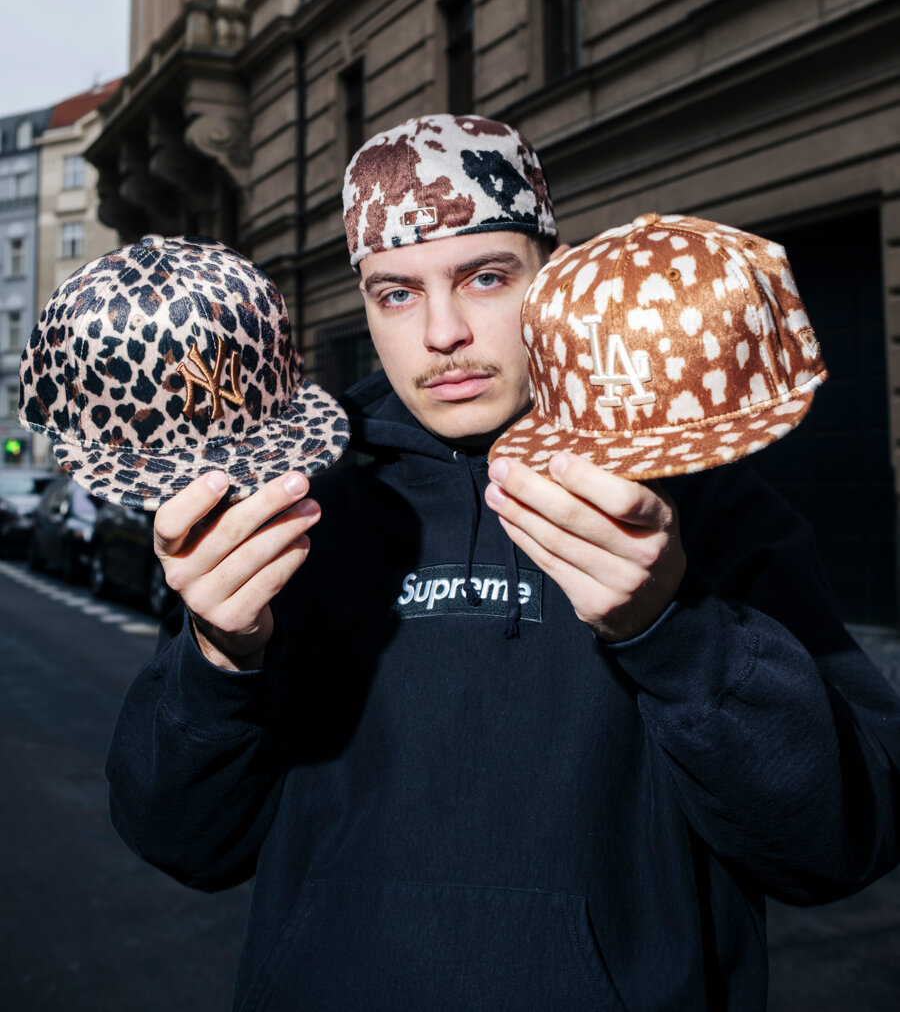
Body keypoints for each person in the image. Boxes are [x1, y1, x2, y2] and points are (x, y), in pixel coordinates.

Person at [106, 115, 900, 1012]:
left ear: (550, 278)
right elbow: (179, 840)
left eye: (485, 277)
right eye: (396, 294)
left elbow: (839, 843)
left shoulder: (689, 487)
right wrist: (219, 658)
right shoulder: (290, 500)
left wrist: (674, 627)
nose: (442, 333)